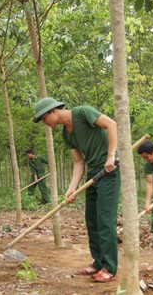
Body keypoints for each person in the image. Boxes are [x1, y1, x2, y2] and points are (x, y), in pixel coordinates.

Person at [33, 97, 120, 283]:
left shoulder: (82, 112)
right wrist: (71, 189)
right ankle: (98, 262)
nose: (45, 124)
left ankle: (109, 268)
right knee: (92, 221)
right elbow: (79, 162)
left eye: (43, 119)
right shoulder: (66, 134)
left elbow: (111, 124)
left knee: (105, 220)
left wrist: (111, 156)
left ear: (52, 111)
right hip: (93, 172)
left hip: (109, 170)